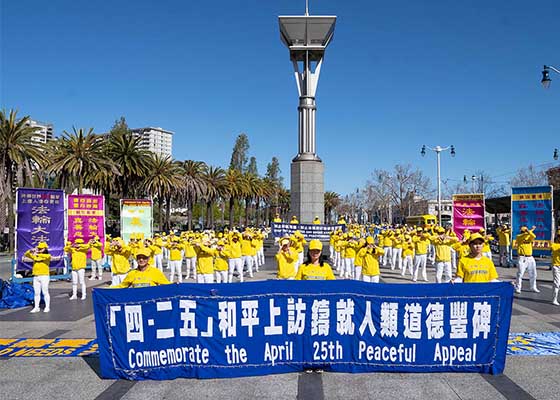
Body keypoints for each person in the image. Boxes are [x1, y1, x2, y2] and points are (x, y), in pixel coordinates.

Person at [24, 242, 52, 313]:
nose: (39, 249)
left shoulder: (48, 255)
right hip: (36, 276)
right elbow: (26, 254)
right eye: (38, 248)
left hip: (44, 276)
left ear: (45, 249)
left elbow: (44, 257)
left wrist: (37, 253)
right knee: (36, 293)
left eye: (41, 248)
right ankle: (36, 307)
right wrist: (31, 251)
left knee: (45, 292)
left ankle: (47, 307)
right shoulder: (35, 256)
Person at [514, 225, 539, 293]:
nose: (526, 232)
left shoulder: (529, 236)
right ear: (521, 231)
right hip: (522, 257)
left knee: (533, 273)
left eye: (526, 231)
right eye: (524, 231)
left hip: (530, 257)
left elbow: (534, 236)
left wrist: (530, 231)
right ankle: (518, 287)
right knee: (520, 273)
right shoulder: (519, 236)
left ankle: (533, 287)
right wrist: (531, 230)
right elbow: (524, 235)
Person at [550, 234, 560, 305]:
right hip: (556, 266)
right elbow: (552, 247)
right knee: (557, 283)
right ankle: (554, 299)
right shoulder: (554, 245)